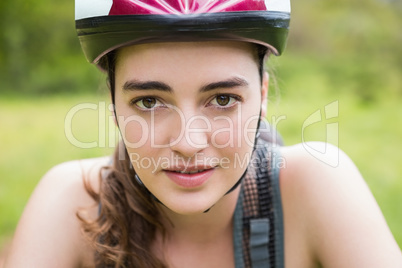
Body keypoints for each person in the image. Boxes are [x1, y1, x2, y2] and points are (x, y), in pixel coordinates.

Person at [4, 0, 402, 267]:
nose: (188, 143)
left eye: (223, 99)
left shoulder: (315, 184)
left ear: (261, 97)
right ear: (114, 107)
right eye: (148, 102)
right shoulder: (75, 204)